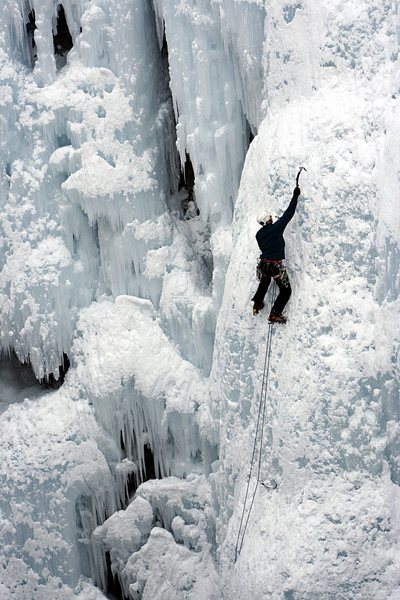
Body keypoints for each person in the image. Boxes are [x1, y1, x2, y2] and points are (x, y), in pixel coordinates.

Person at [252, 186, 301, 323]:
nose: (272, 218)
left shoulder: (258, 235)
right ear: (268, 219)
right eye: (270, 217)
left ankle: (257, 303)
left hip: (264, 265)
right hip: (275, 267)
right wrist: (295, 196)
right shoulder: (276, 228)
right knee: (286, 291)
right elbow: (288, 214)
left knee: (264, 282)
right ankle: (275, 313)